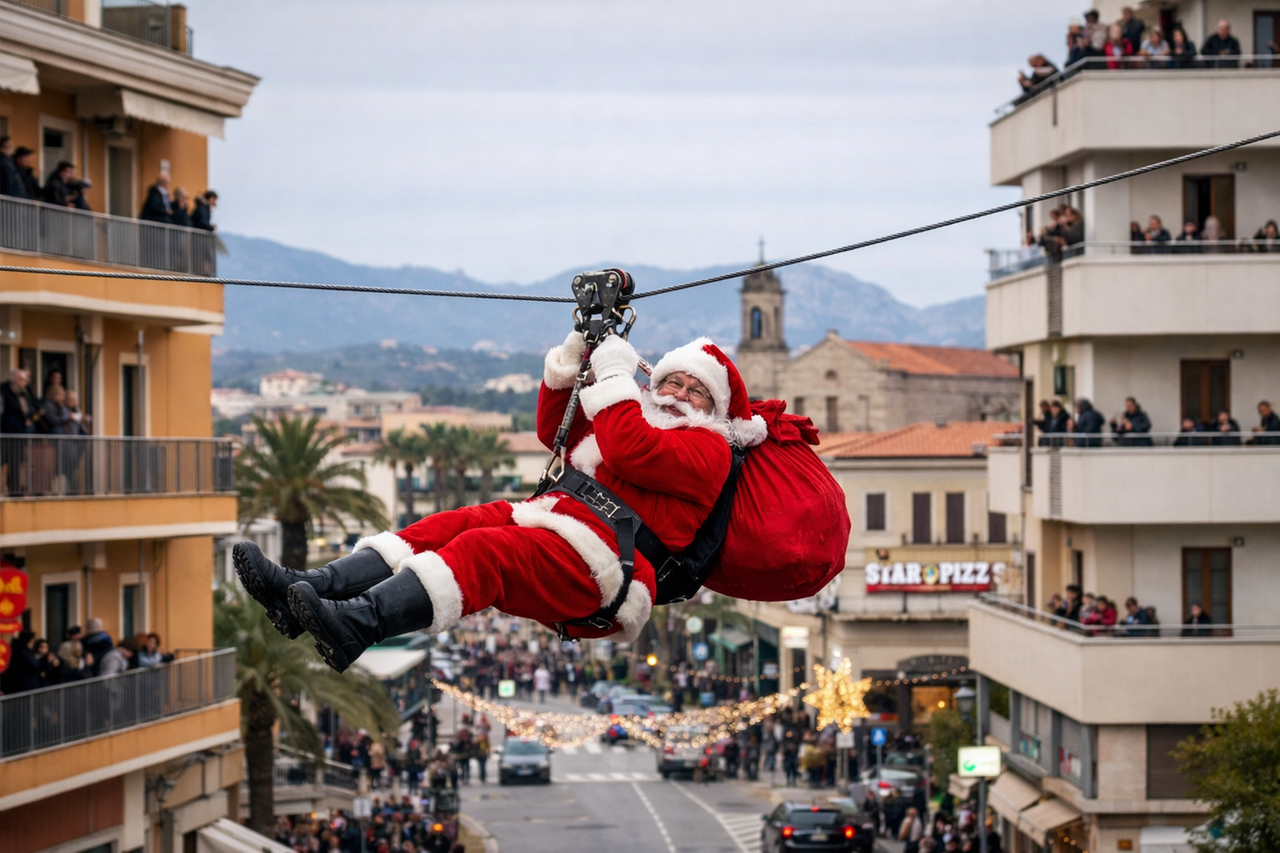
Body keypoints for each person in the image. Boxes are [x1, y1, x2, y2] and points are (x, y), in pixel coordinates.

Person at [235, 332, 772, 673]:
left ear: (714, 409)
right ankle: (308, 589)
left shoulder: (708, 448)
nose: (677, 394)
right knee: (447, 526)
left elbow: (631, 449)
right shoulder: (632, 420)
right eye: (671, 381)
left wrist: (613, 373)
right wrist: (574, 358)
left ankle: (357, 625)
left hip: (608, 565)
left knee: (484, 550)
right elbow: (555, 431)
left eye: (695, 390)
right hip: (557, 524)